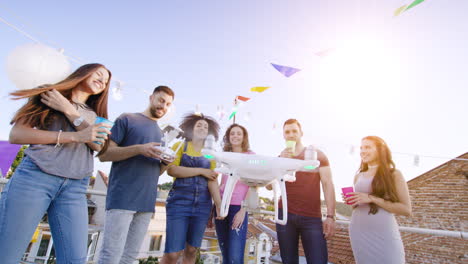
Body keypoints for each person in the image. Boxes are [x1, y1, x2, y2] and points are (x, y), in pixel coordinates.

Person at [0, 63, 112, 264]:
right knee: (8, 255)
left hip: (76, 187)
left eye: (106, 81)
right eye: (99, 74)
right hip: (35, 178)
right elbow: (17, 135)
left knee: (75, 260)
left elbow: (98, 145)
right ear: (83, 72)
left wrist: (69, 110)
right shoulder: (51, 96)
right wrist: (74, 136)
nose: (103, 81)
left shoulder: (96, 116)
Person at [97, 85, 175, 264]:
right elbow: (104, 154)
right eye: (161, 100)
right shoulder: (127, 119)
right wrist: (139, 149)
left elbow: (156, 172)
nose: (163, 106)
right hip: (122, 198)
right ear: (151, 98)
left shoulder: (162, 134)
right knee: (111, 255)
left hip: (147, 203)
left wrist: (165, 163)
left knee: (129, 258)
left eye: (168, 104)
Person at [267, 118, 336, 264]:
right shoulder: (280, 158)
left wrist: (330, 216)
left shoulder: (318, 155)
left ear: (301, 133)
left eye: (294, 131)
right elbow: (268, 185)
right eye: (287, 132)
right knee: (288, 261)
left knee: (318, 260)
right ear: (283, 136)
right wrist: (279, 163)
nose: (291, 135)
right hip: (285, 215)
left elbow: (327, 184)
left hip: (312, 217)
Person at [161, 113, 222, 264]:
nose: (202, 128)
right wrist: (201, 171)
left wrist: (219, 205)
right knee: (173, 253)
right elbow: (172, 170)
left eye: (206, 127)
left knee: (192, 250)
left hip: (203, 205)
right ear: (192, 128)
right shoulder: (180, 145)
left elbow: (212, 181)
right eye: (199, 125)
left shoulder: (210, 155)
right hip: (179, 202)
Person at [344, 136, 411, 264]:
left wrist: (371, 198)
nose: (363, 151)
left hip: (384, 234)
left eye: (368, 147)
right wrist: (353, 201)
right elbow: (359, 205)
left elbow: (406, 210)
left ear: (380, 150)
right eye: (361, 148)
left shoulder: (394, 174)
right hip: (358, 232)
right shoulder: (358, 176)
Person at [214, 124, 254, 264]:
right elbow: (219, 182)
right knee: (225, 254)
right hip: (221, 207)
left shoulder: (251, 156)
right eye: (232, 134)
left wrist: (243, 210)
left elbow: (253, 185)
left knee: (235, 257)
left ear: (244, 137)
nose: (235, 136)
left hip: (238, 208)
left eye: (238, 133)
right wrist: (217, 204)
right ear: (228, 137)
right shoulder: (224, 156)